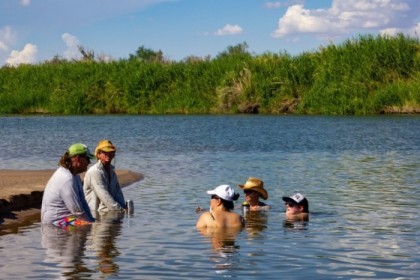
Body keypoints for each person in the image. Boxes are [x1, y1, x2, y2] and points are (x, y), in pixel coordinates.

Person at [41, 143, 95, 226]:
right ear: (77, 158)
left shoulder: (75, 176)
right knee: (88, 225)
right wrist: (92, 224)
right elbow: (78, 212)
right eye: (87, 159)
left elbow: (83, 203)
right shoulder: (67, 179)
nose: (89, 162)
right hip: (54, 222)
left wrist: (92, 220)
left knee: (95, 223)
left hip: (66, 218)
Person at [83, 139, 126, 213]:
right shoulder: (94, 172)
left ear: (114, 154)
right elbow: (104, 196)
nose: (108, 154)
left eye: (111, 152)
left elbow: (118, 194)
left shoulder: (112, 172)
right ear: (98, 154)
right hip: (95, 214)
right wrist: (121, 210)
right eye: (104, 152)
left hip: (109, 211)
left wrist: (124, 207)